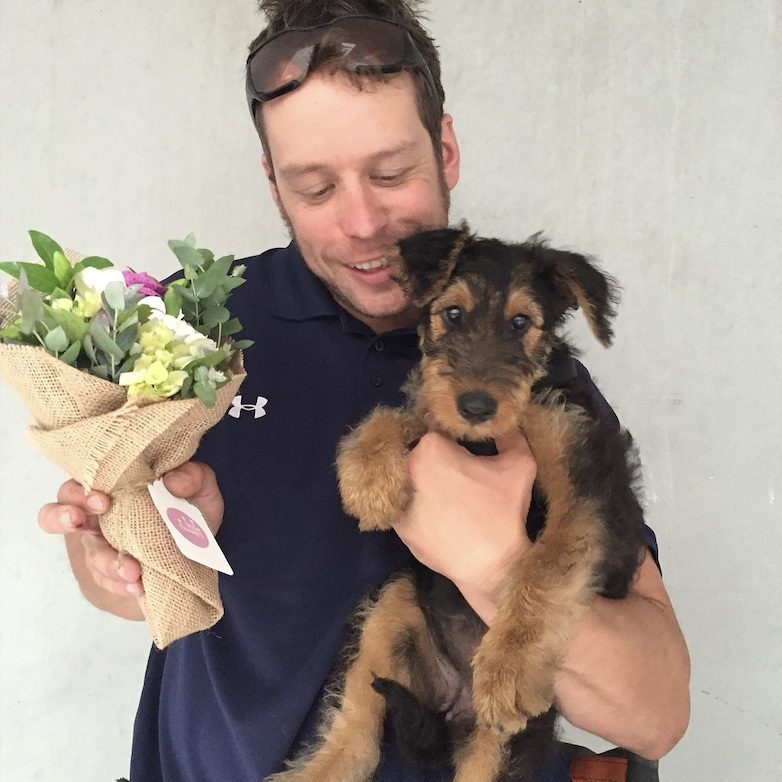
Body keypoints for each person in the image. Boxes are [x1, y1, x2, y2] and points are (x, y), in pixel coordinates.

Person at [36, 2, 691, 780]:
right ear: (273, 185)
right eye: (314, 188)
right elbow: (128, 589)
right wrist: (115, 555)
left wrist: (495, 564)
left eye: (392, 173)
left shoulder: (539, 377)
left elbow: (659, 714)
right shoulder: (192, 332)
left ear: (445, 150)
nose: (364, 223)